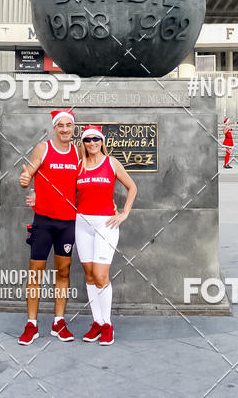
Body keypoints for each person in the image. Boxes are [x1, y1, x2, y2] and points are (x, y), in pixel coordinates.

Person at [17, 109, 80, 345]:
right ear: (54, 128)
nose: (65, 129)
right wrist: (26, 183)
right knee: (35, 274)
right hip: (43, 221)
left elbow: (85, 183)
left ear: (74, 128)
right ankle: (31, 324)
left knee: (63, 273)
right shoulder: (44, 149)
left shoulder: (78, 152)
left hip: (67, 223)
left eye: (69, 125)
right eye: (60, 125)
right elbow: (29, 174)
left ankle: (58, 322)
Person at [76, 126, 137, 346]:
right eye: (87, 139)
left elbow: (132, 187)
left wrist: (124, 213)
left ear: (102, 141)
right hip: (82, 224)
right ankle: (97, 322)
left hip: (106, 225)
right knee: (90, 276)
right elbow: (62, 187)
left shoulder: (111, 163)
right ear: (83, 143)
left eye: (95, 139)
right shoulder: (79, 165)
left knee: (101, 275)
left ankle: (108, 324)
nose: (92, 143)